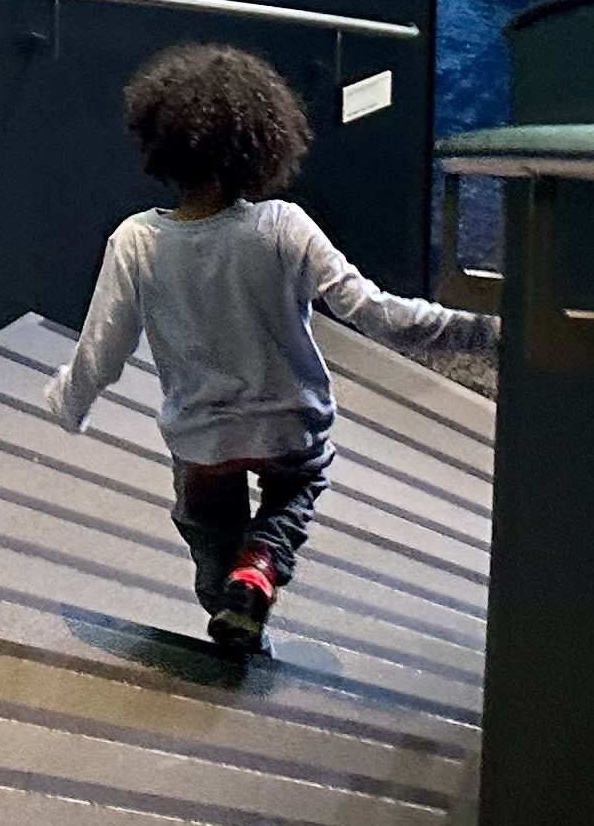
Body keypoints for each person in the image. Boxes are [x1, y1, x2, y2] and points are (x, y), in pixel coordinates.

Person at [42, 42, 497, 657]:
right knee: (299, 486)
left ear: (158, 141)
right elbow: (379, 315)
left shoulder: (136, 241)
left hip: (203, 438)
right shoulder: (284, 225)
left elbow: (103, 349)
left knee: (207, 530)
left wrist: (69, 403)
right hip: (290, 426)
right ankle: (260, 566)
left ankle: (226, 593)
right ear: (265, 140)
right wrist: (488, 332)